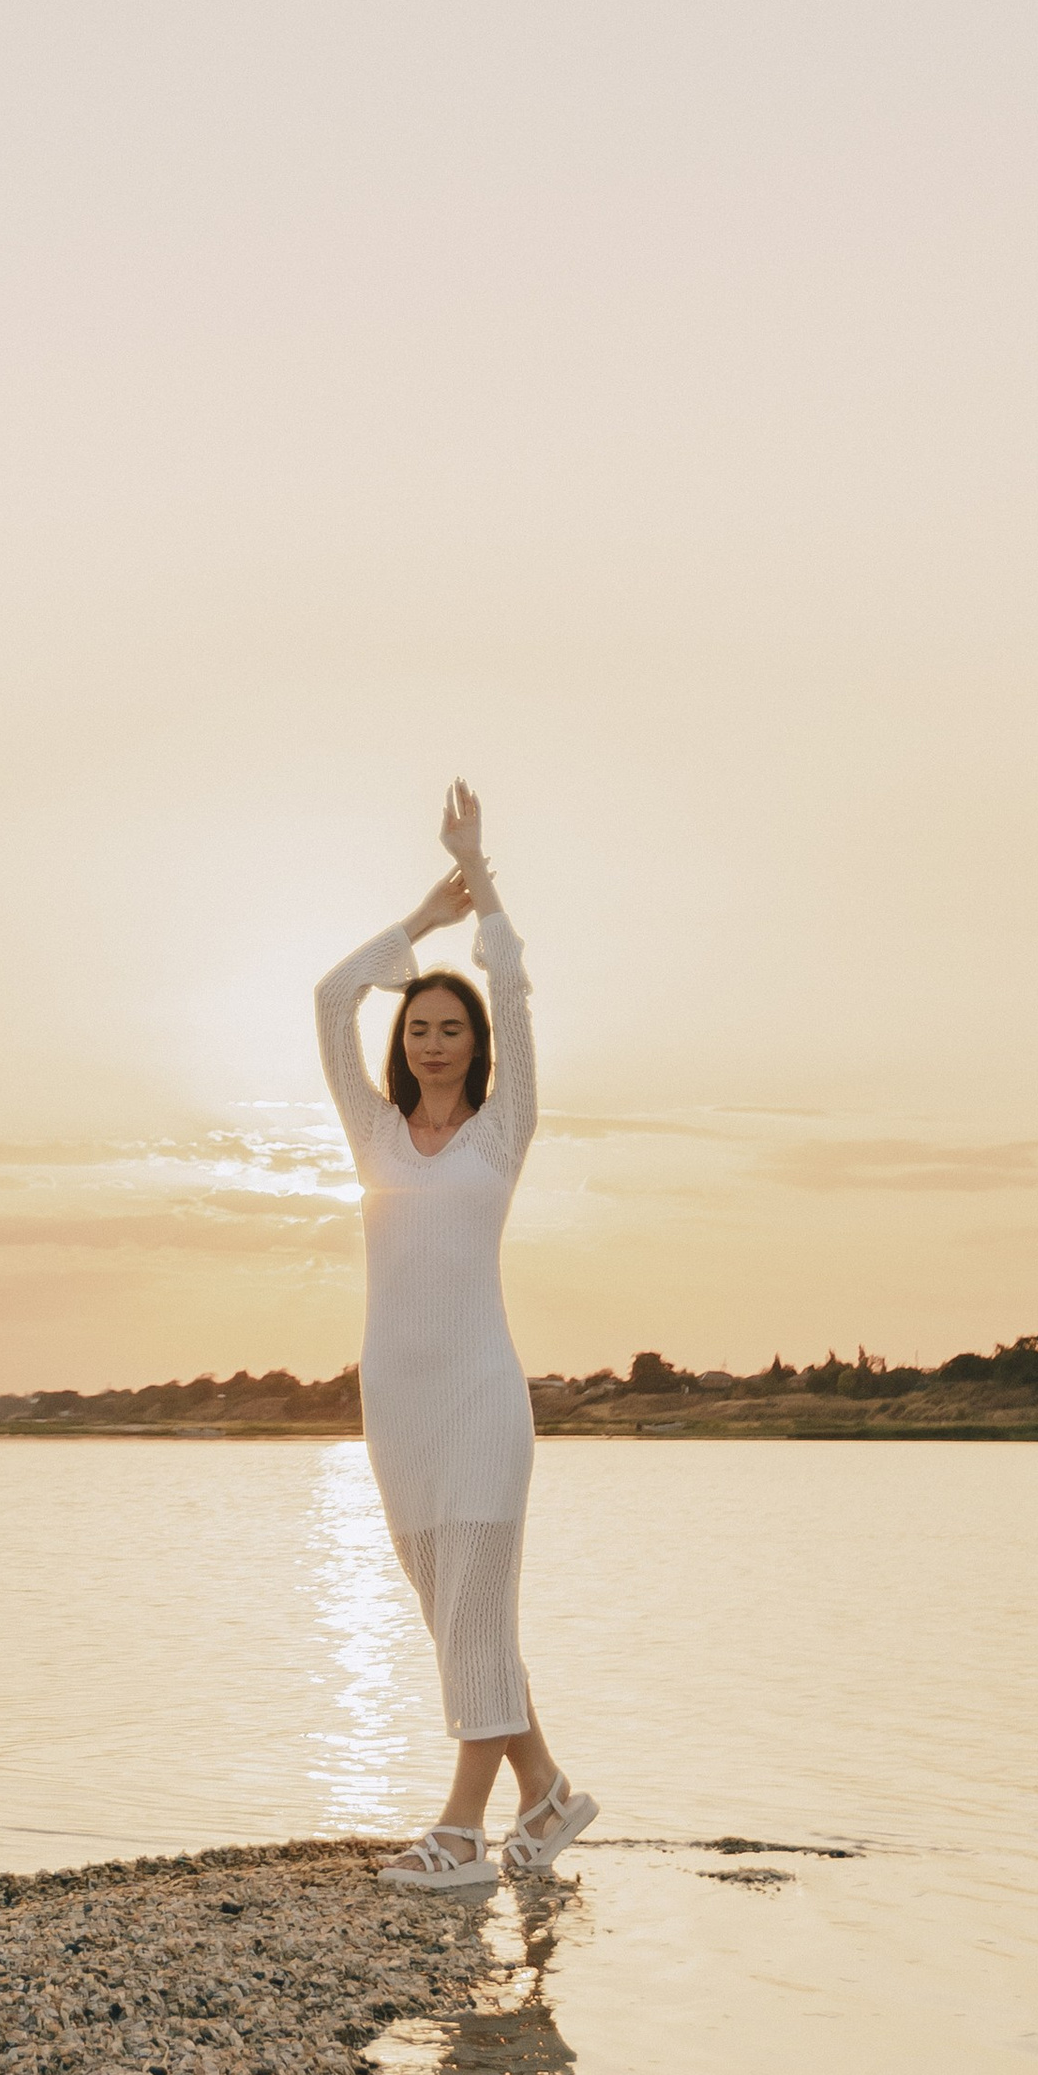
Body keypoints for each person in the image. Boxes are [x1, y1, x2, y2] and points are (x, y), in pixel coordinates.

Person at [314, 778, 598, 1891]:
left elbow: (516, 990)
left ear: (476, 1043)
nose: (434, 1042)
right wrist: (417, 922)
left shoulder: (500, 1133)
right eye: (419, 1027)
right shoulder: (373, 1134)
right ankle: (551, 1795)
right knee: (457, 1616)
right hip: (396, 1401)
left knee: (478, 1599)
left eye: (451, 1027)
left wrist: (479, 882)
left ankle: (461, 1831)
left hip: (480, 1395)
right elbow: (331, 994)